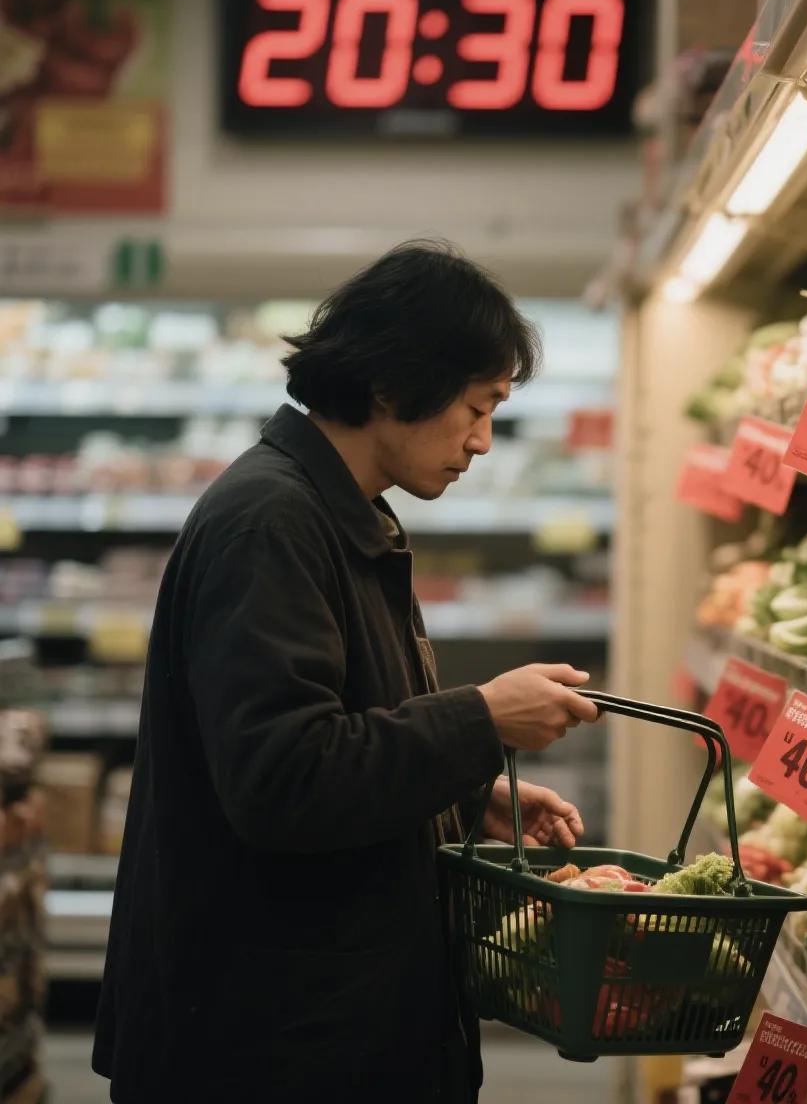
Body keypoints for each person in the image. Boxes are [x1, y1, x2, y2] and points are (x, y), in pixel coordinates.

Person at [93, 241, 601, 1104]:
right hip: (265, 1047)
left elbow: (346, 727)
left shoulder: (343, 513)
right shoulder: (271, 524)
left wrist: (461, 793)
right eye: (476, 408)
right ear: (393, 387)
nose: (481, 441)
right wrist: (479, 718)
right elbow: (283, 778)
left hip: (324, 1027)